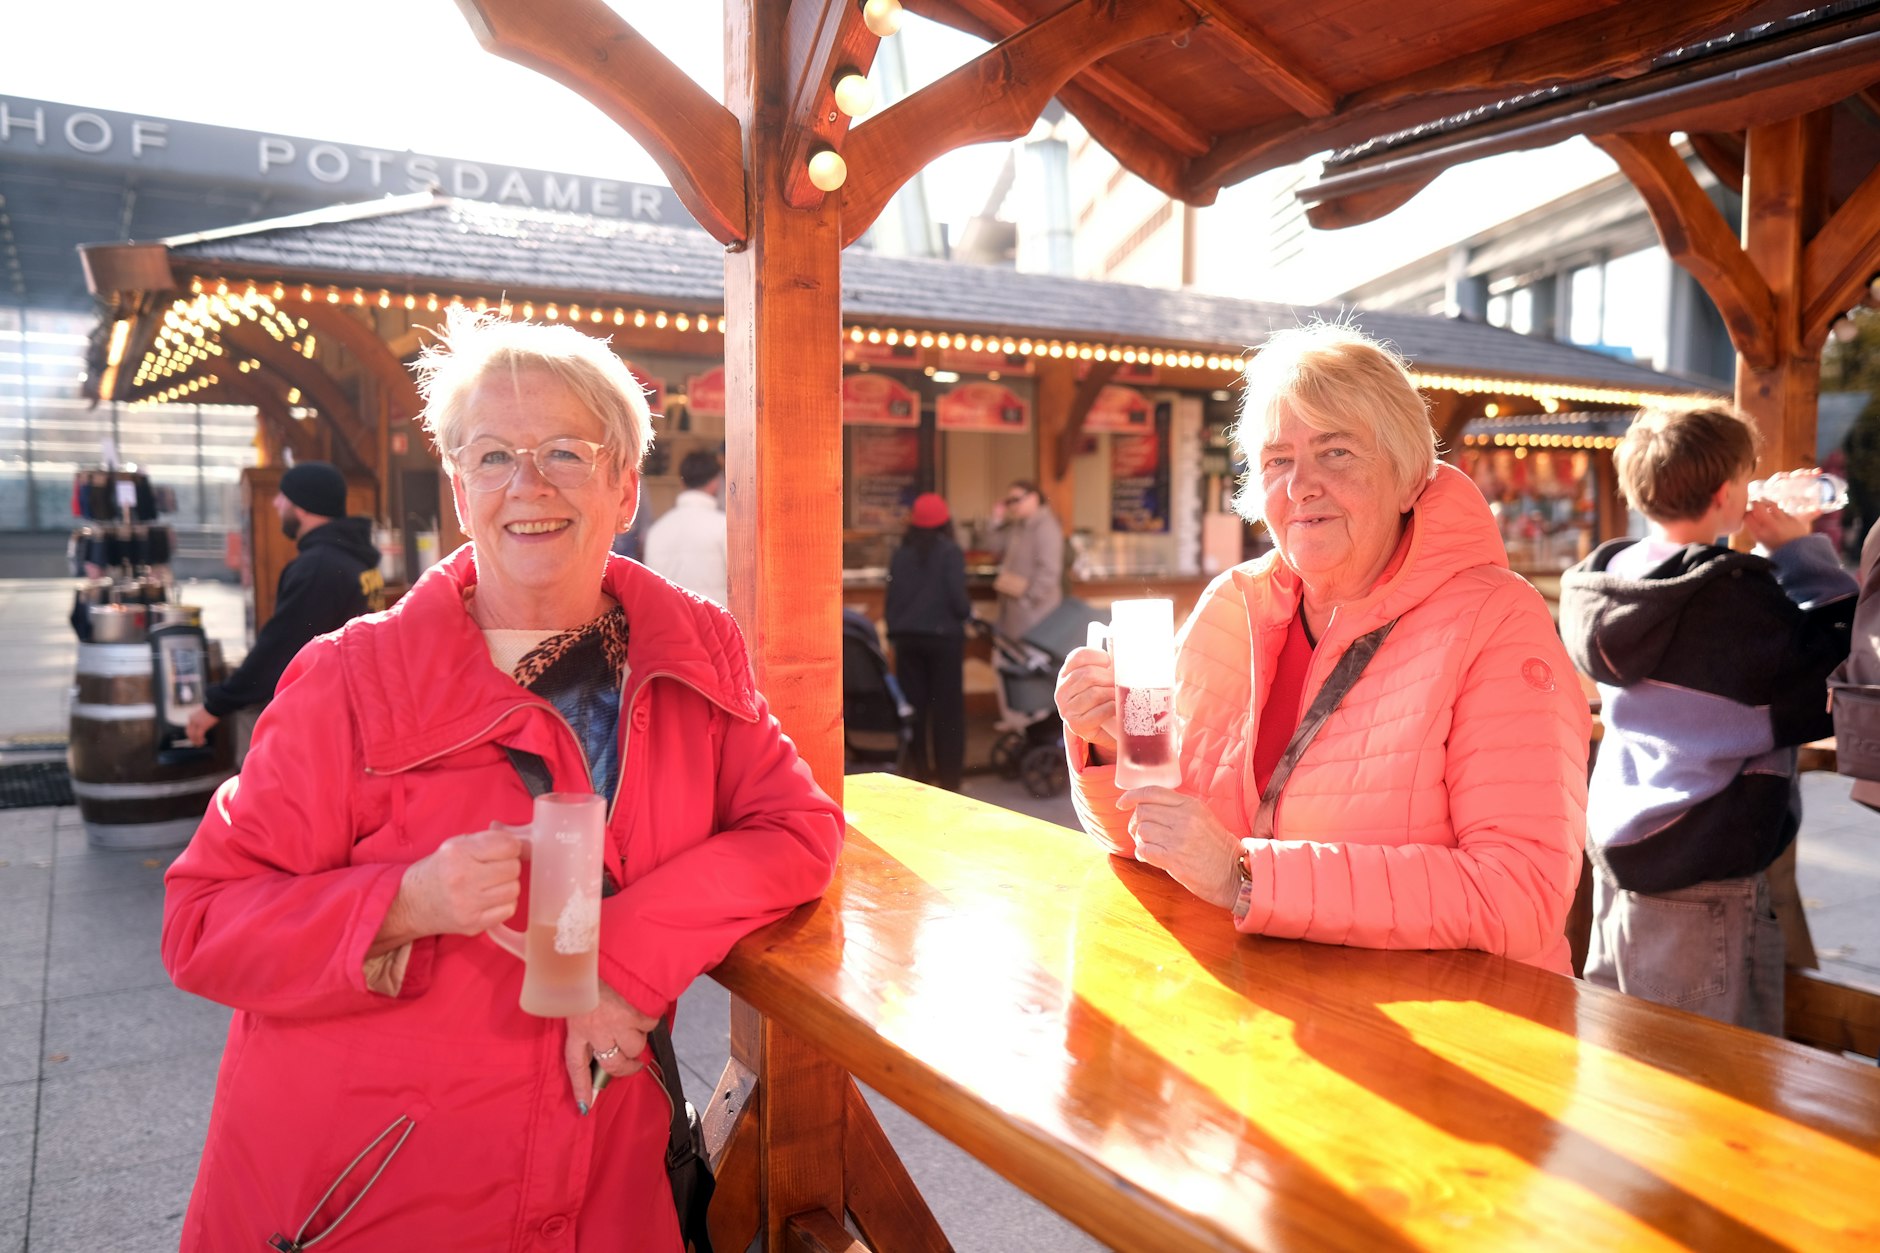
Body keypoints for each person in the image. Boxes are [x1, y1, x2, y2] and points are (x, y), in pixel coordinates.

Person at [160, 311, 845, 1249]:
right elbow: (202, 923)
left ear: (622, 486)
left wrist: (627, 956)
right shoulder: (349, 678)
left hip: (602, 1175)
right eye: (490, 456)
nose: (527, 484)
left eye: (565, 450)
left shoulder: (691, 654)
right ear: (457, 486)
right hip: (368, 1196)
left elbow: (793, 830)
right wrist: (405, 900)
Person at [1053, 322, 1590, 972]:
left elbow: (1522, 892)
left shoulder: (1497, 619)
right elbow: (1155, 842)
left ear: (1407, 474)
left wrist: (1246, 875)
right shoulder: (1233, 603)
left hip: (1452, 1042)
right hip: (1262, 1023)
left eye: (1335, 452)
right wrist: (1109, 744)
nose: (1299, 483)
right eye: (1278, 459)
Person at [1559, 408, 1855, 1032]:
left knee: (1626, 1057)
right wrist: (1798, 549)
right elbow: (1841, 662)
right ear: (1727, 493)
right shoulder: (1729, 602)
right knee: (1704, 1082)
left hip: (1624, 851)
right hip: (1700, 870)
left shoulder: (1608, 580)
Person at [184, 460, 384, 746]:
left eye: (284, 496)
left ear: (302, 506)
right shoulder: (354, 558)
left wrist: (217, 704)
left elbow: (278, 650)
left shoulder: (318, 567)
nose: (277, 503)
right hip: (350, 711)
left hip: (324, 722)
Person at [885, 491, 972, 790]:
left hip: (907, 640)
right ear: (944, 522)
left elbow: (892, 597)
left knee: (916, 709)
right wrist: (968, 615)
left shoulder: (901, 552)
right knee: (947, 711)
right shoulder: (949, 552)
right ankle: (950, 781)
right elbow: (958, 601)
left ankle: (919, 776)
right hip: (944, 640)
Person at [642, 447, 728, 604]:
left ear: (682, 482)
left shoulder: (657, 530)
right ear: (716, 481)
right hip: (715, 624)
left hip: (670, 622)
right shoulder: (724, 527)